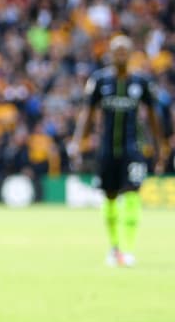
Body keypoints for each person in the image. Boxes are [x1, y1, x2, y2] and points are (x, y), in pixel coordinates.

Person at [69, 34, 166, 267]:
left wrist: (160, 145)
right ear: (110, 55)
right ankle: (115, 248)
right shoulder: (99, 81)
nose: (121, 55)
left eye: (124, 51)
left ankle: (129, 250)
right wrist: (77, 142)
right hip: (107, 149)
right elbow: (87, 114)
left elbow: (153, 116)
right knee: (110, 196)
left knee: (132, 194)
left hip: (133, 149)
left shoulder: (141, 82)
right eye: (117, 51)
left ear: (130, 54)